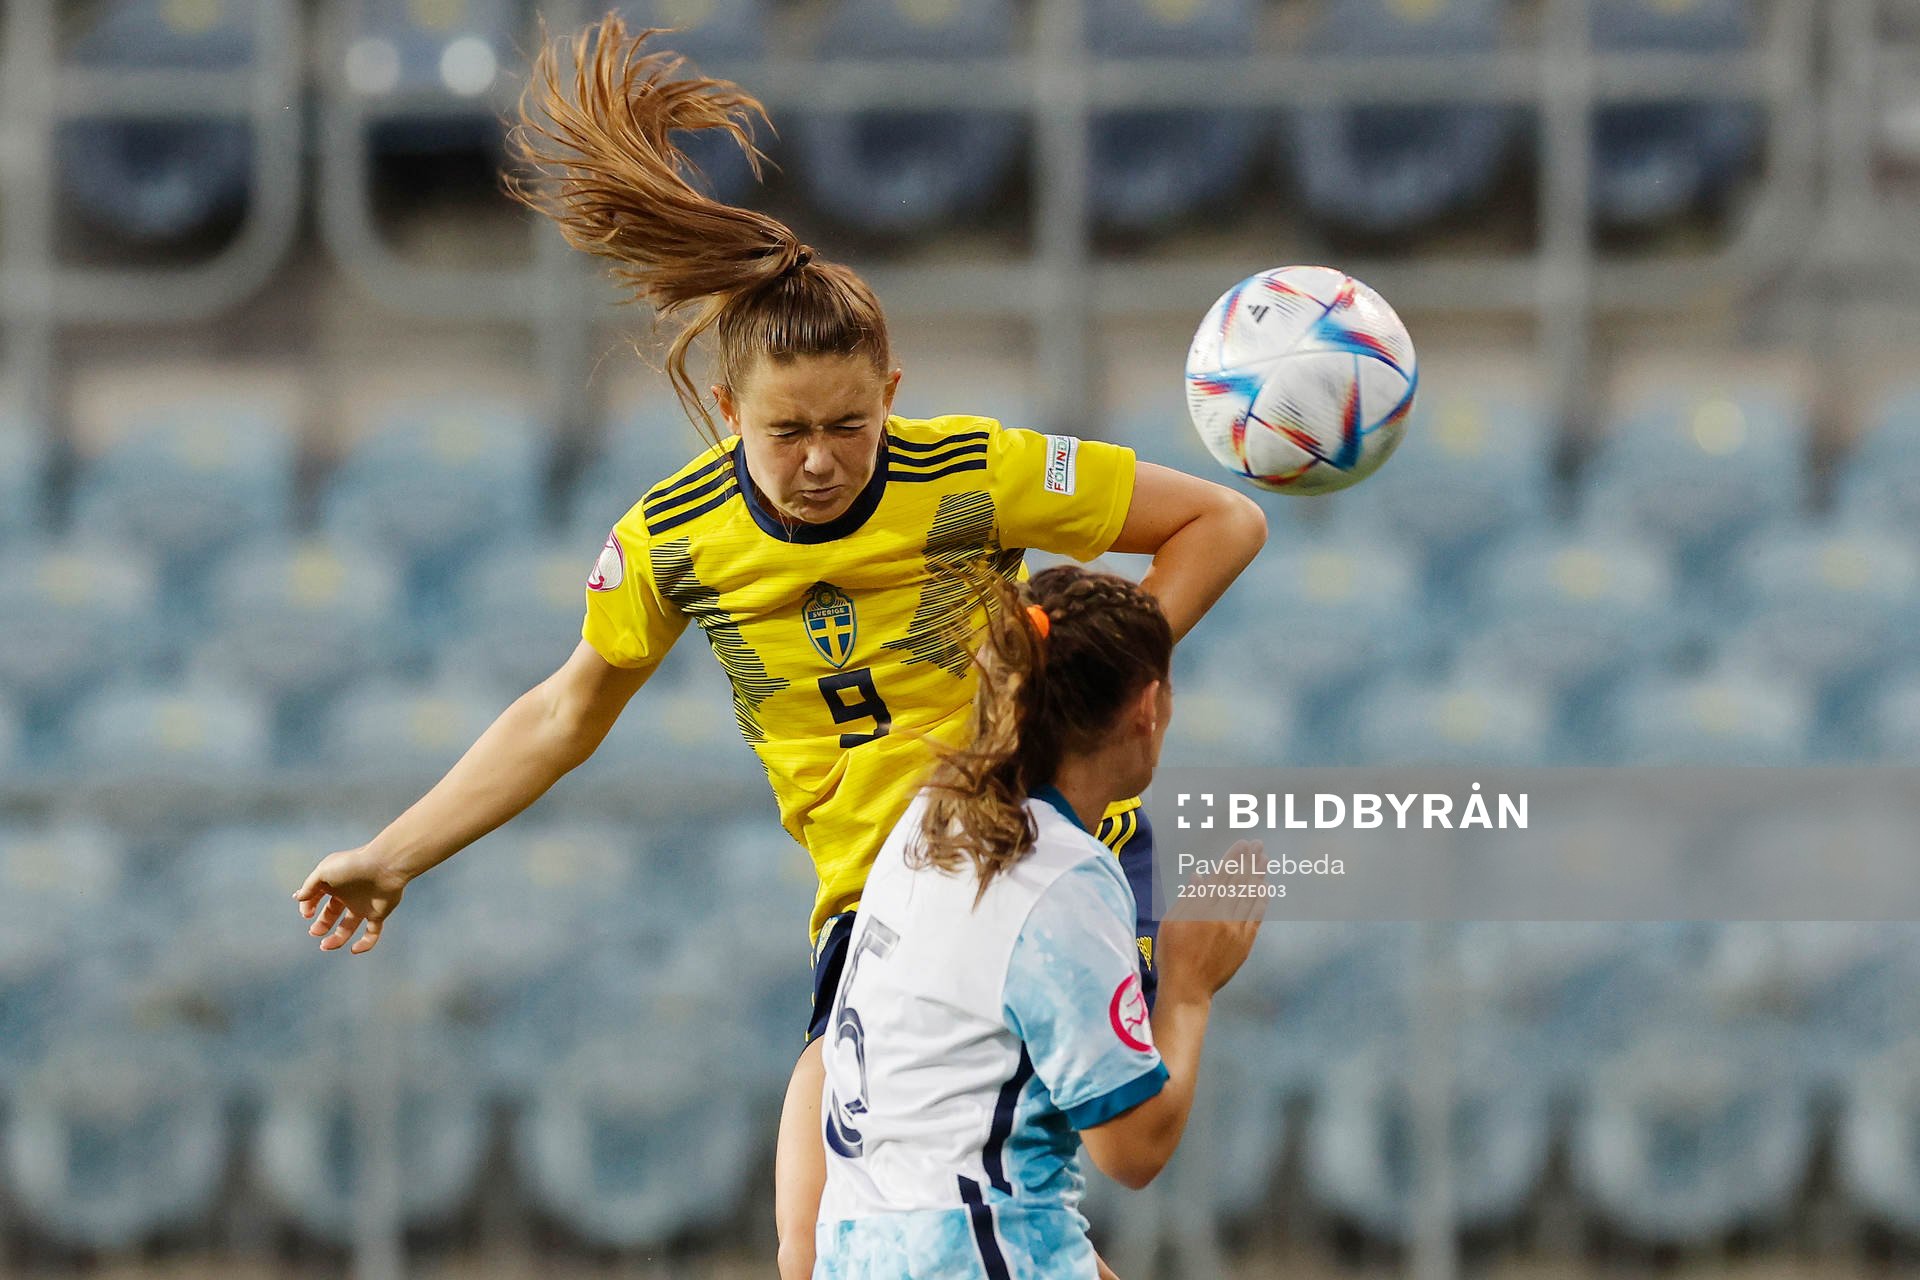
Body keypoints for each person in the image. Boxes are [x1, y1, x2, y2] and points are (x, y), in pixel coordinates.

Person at [290, 16, 1268, 1277]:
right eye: (787, 431)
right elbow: (563, 711)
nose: (819, 460)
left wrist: (1059, 691)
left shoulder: (969, 470)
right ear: (723, 410)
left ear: (892, 393)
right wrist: (392, 852)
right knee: (832, 1241)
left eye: (849, 427)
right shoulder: (674, 537)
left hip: (1050, 851)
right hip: (878, 893)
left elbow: (1221, 521)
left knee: (1042, 1176)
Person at [815, 565, 1264, 1278]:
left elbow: (958, 1124)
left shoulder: (928, 821)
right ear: (1147, 707)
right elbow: (1132, 1148)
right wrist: (1188, 986)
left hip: (862, 1248)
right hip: (971, 1254)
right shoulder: (1059, 877)